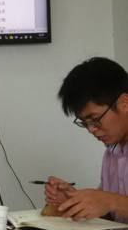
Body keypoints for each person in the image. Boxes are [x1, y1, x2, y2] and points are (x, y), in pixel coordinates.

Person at [45, 57, 128, 223]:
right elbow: (114, 216)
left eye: (95, 119)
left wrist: (111, 201)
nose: (91, 129)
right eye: (84, 123)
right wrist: (76, 202)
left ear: (124, 103)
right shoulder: (112, 153)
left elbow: (112, 204)